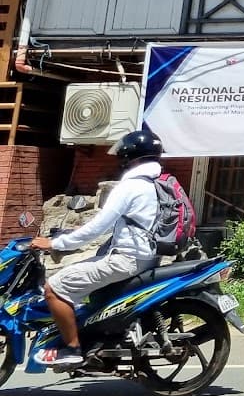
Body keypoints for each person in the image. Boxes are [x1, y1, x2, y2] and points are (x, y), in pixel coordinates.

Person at [30, 129, 164, 369]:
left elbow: (99, 226)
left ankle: (71, 349)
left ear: (129, 157)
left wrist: (56, 243)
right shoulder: (152, 183)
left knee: (55, 288)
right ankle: (94, 337)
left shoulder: (130, 186)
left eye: (122, 156)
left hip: (126, 259)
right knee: (86, 283)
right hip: (144, 256)